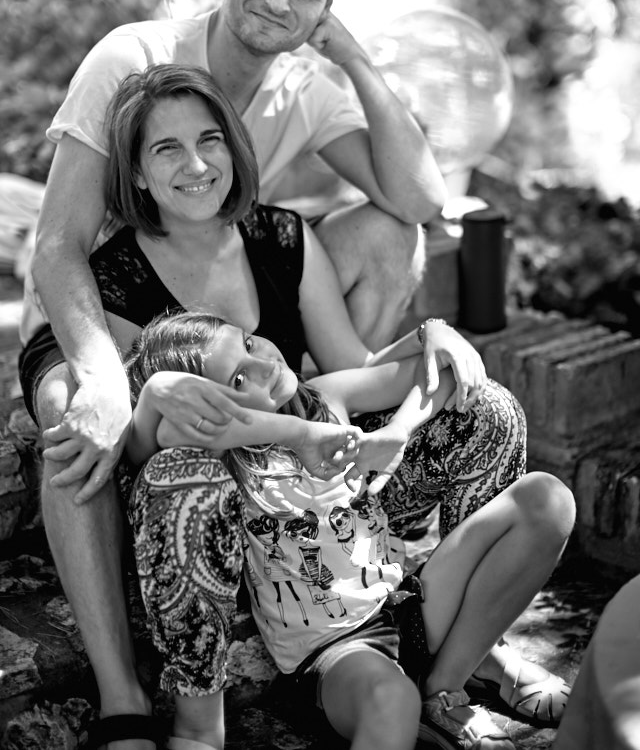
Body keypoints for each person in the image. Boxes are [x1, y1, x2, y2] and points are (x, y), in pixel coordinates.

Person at [21, 62, 557, 749]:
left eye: (209, 139)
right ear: (136, 176)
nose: (195, 164)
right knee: (183, 471)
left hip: (323, 497)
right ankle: (195, 720)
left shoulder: (279, 236)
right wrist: (295, 432)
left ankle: (465, 647)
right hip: (221, 514)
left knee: (491, 407)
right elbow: (149, 430)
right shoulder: (118, 281)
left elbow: (350, 369)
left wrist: (432, 340)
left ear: (233, 147)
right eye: (165, 149)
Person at [122, 310, 576, 750]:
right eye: (239, 380)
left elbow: (438, 371)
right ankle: (412, 702)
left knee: (547, 500)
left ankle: (444, 688)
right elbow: (162, 435)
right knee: (390, 700)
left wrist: (399, 428)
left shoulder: (324, 397)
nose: (265, 364)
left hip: (409, 605)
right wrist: (300, 435)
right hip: (339, 652)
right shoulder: (228, 462)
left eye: (248, 342)